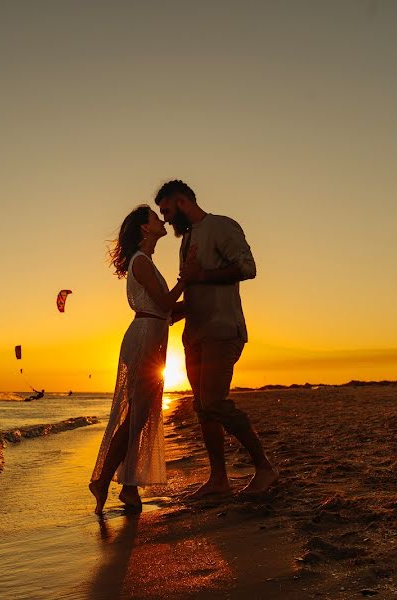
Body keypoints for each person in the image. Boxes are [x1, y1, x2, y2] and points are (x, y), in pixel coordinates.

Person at [155, 180, 279, 497]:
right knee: (202, 407)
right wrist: (178, 310)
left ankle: (265, 468)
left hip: (223, 331)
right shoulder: (188, 240)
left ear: (182, 201)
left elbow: (248, 268)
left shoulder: (222, 226)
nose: (166, 220)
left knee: (214, 402)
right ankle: (218, 480)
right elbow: (196, 287)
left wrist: (202, 276)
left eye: (167, 211)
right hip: (194, 335)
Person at [89, 205, 189, 515]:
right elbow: (164, 303)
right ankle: (104, 480)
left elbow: (168, 313)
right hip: (144, 336)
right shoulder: (142, 262)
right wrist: (187, 280)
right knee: (137, 414)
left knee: (140, 413)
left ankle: (128, 487)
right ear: (145, 229)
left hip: (153, 334)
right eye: (155, 218)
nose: (161, 221)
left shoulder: (148, 262)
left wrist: (197, 300)